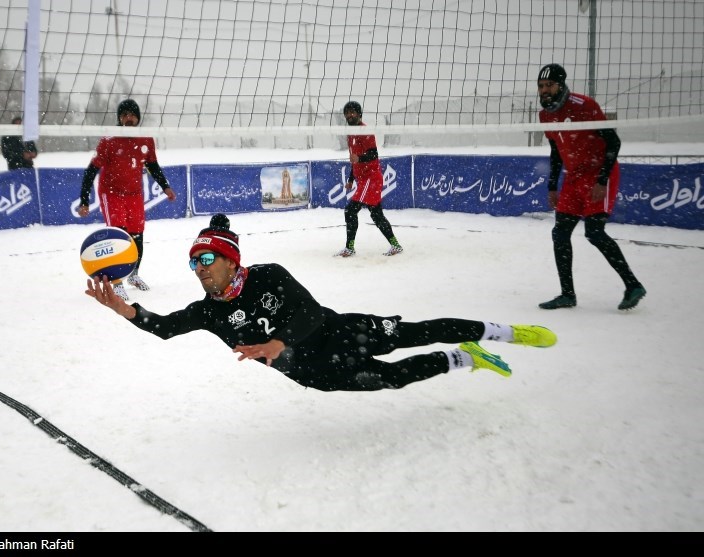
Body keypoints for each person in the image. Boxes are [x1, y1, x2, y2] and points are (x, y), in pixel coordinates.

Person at [84, 213, 558, 392]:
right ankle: (464, 358)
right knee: (392, 379)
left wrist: (275, 342)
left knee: (417, 330)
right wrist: (125, 311)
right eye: (194, 263)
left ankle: (502, 332)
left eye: (207, 258)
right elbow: (165, 326)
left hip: (338, 329)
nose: (200, 268)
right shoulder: (208, 311)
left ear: (231, 259)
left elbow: (309, 313)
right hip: (312, 371)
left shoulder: (268, 274)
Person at [536, 64, 646, 311]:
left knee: (594, 233)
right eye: (541, 86)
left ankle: (632, 285)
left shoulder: (584, 106)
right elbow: (555, 151)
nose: (544, 90)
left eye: (549, 85)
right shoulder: (545, 115)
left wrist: (602, 180)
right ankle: (567, 295)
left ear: (561, 85)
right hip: (574, 176)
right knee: (560, 233)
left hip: (599, 172)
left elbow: (613, 142)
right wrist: (552, 185)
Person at [77, 99, 177, 301]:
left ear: (138, 118)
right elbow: (91, 170)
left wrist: (165, 187)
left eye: (132, 115)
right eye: (124, 115)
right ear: (119, 119)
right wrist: (85, 200)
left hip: (134, 193)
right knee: (118, 236)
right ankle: (116, 282)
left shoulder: (146, 139)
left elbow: (153, 165)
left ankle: (133, 275)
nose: (128, 118)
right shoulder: (109, 140)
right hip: (111, 192)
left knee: (137, 235)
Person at [335, 101, 404, 258]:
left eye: (353, 112)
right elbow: (354, 160)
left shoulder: (365, 131)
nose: (349, 115)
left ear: (359, 114)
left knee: (350, 211)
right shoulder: (350, 133)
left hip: (371, 179)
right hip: (363, 180)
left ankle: (350, 248)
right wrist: (351, 179)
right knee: (376, 215)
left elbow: (374, 154)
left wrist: (358, 158)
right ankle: (395, 245)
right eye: (347, 112)